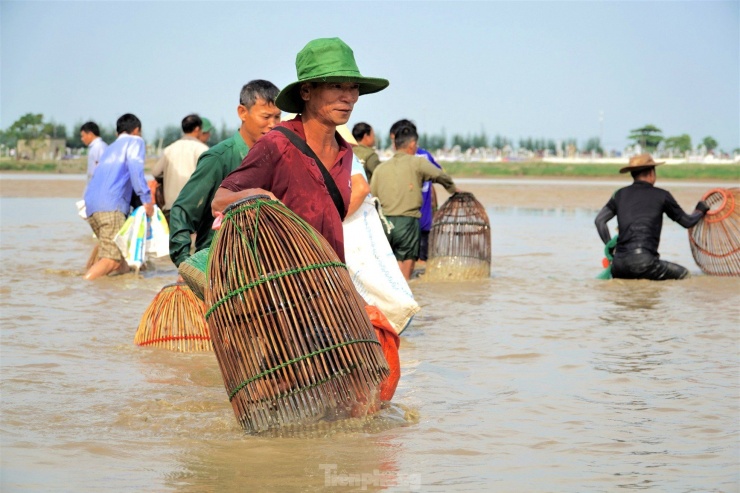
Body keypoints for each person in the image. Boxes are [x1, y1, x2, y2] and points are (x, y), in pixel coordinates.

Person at [212, 37, 389, 263]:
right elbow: (219, 201)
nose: (348, 97)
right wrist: (257, 196)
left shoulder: (346, 153)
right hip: (279, 288)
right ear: (306, 91)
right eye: (335, 86)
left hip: (328, 284)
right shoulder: (276, 144)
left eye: (353, 87)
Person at [168, 80, 281, 268]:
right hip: (219, 265)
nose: (273, 124)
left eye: (277, 117)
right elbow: (182, 210)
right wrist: (184, 263)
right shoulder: (219, 158)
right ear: (242, 112)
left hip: (261, 267)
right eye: (266, 116)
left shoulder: (277, 157)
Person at [594, 153, 710, 280]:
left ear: (633, 174)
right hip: (646, 264)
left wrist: (612, 248)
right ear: (651, 172)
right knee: (685, 275)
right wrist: (700, 210)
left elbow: (599, 221)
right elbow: (687, 222)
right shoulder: (662, 195)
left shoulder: (619, 194)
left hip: (618, 266)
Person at [370, 122, 458, 280]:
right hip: (407, 222)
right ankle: (406, 294)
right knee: (406, 267)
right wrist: (452, 189)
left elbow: (372, 197)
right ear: (412, 144)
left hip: (384, 223)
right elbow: (440, 175)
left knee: (388, 264)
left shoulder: (380, 169)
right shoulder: (418, 162)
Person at [83, 113, 153, 280]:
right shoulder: (136, 141)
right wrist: (146, 200)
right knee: (112, 260)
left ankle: (108, 295)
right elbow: (136, 170)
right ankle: (82, 287)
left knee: (121, 260)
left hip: (92, 207)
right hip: (111, 207)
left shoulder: (110, 147)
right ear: (136, 130)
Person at [389, 119, 443, 265]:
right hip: (424, 219)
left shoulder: (401, 160)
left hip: (405, 220)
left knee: (406, 261)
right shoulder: (426, 156)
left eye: (394, 141)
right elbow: (435, 180)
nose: (394, 145)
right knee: (419, 261)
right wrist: (435, 209)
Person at [151, 114, 210, 220]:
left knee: (173, 236)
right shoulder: (202, 149)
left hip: (171, 207)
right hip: (193, 207)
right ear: (197, 129)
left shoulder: (169, 149)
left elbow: (156, 172)